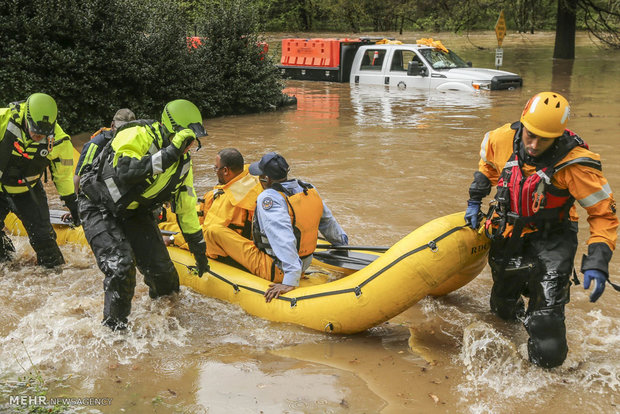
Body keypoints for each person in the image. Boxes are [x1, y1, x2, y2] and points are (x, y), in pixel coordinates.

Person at [464, 91, 618, 368]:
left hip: (554, 237)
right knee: (502, 309)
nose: (534, 145)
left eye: (544, 139)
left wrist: (597, 260)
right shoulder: (499, 139)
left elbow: (604, 215)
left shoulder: (577, 165)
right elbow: (487, 166)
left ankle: (547, 380)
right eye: (529, 135)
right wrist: (475, 200)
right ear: (522, 124)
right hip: (509, 231)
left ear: (557, 137)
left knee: (547, 331)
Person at [78, 99, 209, 330]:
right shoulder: (137, 134)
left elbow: (187, 211)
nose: (188, 147)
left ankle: (165, 323)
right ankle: (113, 333)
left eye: (192, 142)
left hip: (135, 212)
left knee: (164, 274)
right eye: (185, 140)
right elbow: (126, 171)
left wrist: (200, 254)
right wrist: (171, 152)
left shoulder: (183, 165)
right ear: (172, 133)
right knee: (121, 266)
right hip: (99, 206)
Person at [204, 152, 348, 302]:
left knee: (214, 231)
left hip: (274, 268)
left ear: (266, 178)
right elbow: (328, 221)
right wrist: (341, 245)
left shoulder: (269, 198)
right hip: (305, 262)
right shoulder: (307, 188)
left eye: (260, 175)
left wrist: (290, 280)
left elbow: (282, 237)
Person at [0, 93, 78, 267]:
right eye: (34, 131)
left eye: (43, 134)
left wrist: (72, 202)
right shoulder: (3, 121)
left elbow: (63, 175)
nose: (37, 136)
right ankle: (7, 264)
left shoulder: (60, 141)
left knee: (44, 238)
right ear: (26, 119)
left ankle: (54, 279)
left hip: (28, 192)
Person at [160, 148, 263, 257]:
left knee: (167, 227)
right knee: (183, 214)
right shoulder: (249, 177)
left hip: (223, 241)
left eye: (216, 168)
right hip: (216, 219)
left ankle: (161, 221)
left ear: (226, 171)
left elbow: (206, 233)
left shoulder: (227, 201)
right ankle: (165, 213)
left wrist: (172, 239)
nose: (215, 171)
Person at [73, 108, 136, 191]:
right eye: (122, 130)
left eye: (129, 131)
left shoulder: (135, 140)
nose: (125, 135)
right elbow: (79, 176)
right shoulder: (95, 144)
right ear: (112, 126)